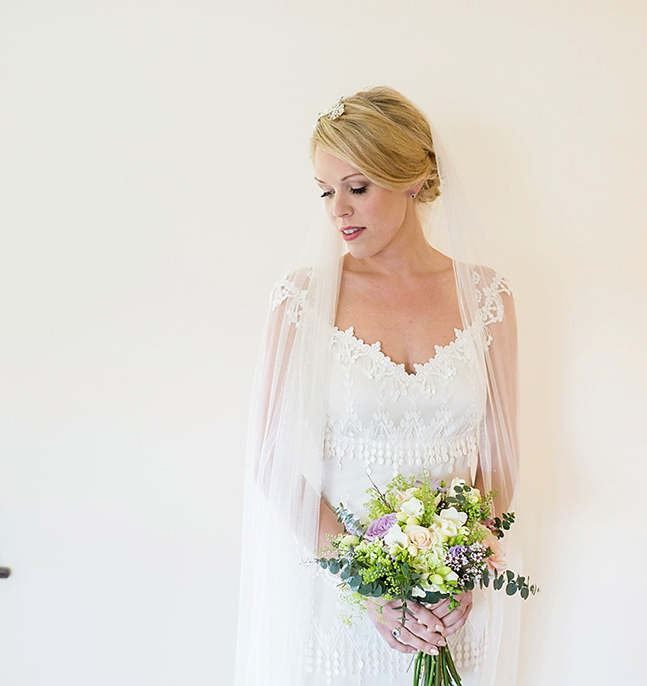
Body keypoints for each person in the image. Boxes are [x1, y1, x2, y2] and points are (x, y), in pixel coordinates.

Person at [236, 87, 521, 686]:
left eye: (357, 187)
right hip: (339, 611)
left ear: (411, 179)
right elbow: (272, 462)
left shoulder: (488, 296)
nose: (337, 209)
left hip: (449, 617)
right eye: (325, 190)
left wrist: (461, 574)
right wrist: (368, 588)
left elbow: (498, 466)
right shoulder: (302, 300)